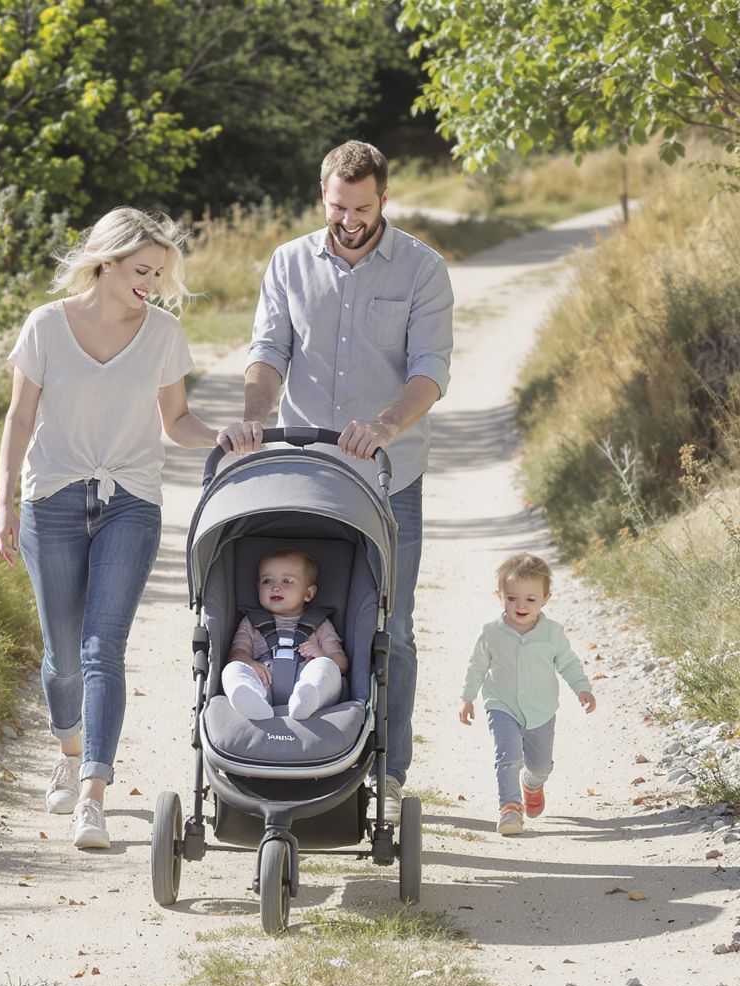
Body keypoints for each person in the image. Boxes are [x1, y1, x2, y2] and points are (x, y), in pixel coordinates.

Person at [221, 140, 454, 823]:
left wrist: (385, 424)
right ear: (322, 197)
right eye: (336, 207)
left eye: (360, 207)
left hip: (388, 475)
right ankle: (284, 747)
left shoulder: (421, 268)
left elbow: (430, 372)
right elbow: (267, 352)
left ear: (384, 198)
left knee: (394, 625)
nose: (348, 220)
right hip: (306, 471)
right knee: (289, 609)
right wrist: (253, 419)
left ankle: (389, 768)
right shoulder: (289, 262)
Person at [0, 207, 235, 851]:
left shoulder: (161, 334)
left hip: (132, 499)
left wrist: (222, 438)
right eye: (140, 270)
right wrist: (3, 504)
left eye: (158, 273)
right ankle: (70, 752)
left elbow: (175, 421)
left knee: (104, 648)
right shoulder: (47, 326)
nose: (150, 283)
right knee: (62, 652)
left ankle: (93, 797)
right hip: (53, 497)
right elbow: (19, 419)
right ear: (106, 262)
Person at [459, 552, 597, 836]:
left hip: (541, 710)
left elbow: (568, 663)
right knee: (507, 756)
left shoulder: (552, 633)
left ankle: (533, 784)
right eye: (512, 598)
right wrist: (468, 697)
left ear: (546, 598)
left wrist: (582, 688)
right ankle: (510, 808)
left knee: (540, 765)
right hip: (502, 705)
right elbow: (477, 666)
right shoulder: (491, 633)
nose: (521, 606)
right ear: (499, 595)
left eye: (531, 599)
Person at [222, 548, 349, 721]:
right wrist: (249, 663)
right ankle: (249, 699)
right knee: (233, 669)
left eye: (287, 581)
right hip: (264, 683)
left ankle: (308, 698)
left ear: (309, 593)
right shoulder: (251, 622)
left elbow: (341, 662)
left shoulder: (320, 624)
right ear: (258, 588)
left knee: (327, 669)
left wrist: (322, 656)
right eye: (267, 581)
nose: (275, 587)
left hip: (308, 681)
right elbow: (237, 654)